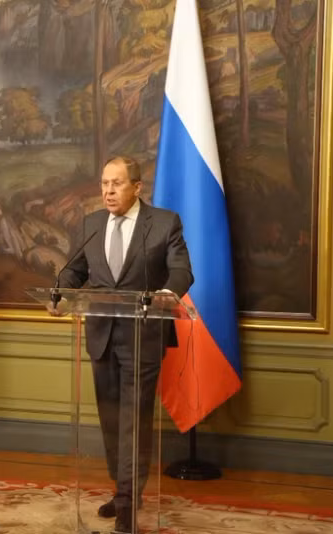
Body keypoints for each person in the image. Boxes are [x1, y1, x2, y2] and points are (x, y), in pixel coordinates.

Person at [52, 156, 193, 533]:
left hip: (143, 336)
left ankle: (130, 499)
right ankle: (122, 490)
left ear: (136, 187)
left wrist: (167, 292)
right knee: (112, 419)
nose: (108, 191)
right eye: (103, 184)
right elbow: (75, 269)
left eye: (116, 184)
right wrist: (60, 292)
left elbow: (181, 269)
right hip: (101, 335)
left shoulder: (164, 222)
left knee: (134, 419)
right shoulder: (92, 224)